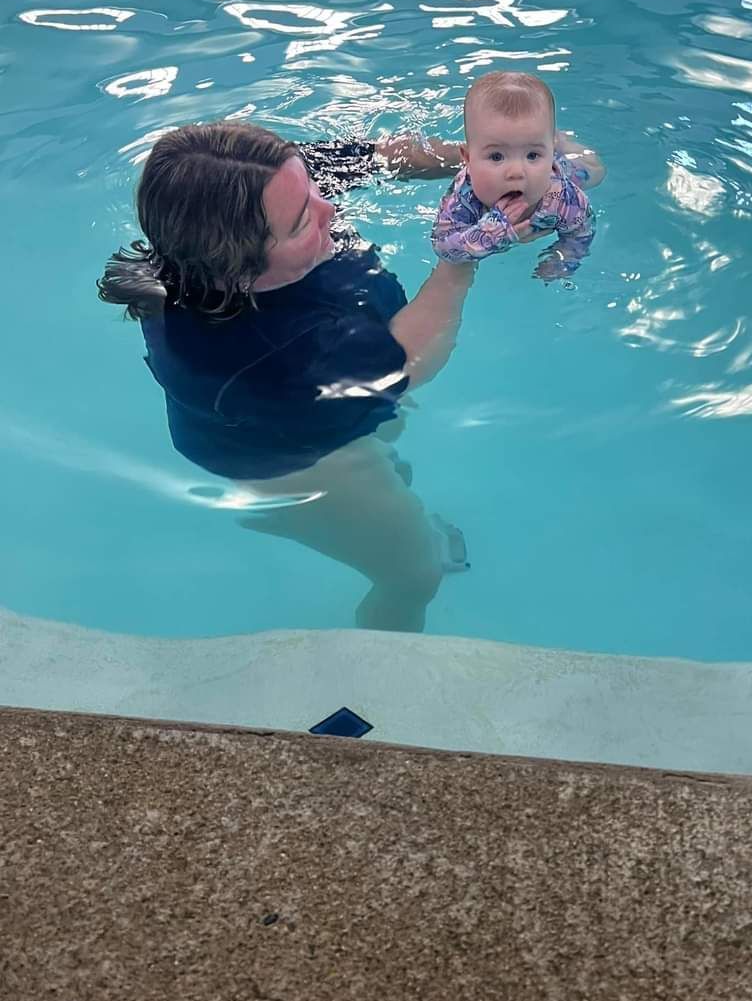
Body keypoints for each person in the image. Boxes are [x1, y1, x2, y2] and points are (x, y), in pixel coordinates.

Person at [98, 124, 505, 633]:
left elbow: (378, 155)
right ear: (237, 270)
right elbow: (407, 365)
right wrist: (458, 262)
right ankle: (384, 659)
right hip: (290, 463)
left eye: (311, 187)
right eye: (299, 224)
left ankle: (381, 497)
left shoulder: (261, 190)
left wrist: (489, 164)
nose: (327, 208)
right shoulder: (276, 351)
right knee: (416, 574)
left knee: (385, 447)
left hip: (313, 403)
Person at [430, 72, 605, 281]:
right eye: (496, 156)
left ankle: (561, 142)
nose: (516, 172)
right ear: (468, 159)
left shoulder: (562, 196)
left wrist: (564, 258)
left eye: (532, 155)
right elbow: (444, 247)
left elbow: (582, 230)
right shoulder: (463, 199)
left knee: (595, 171)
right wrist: (490, 234)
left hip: (562, 170)